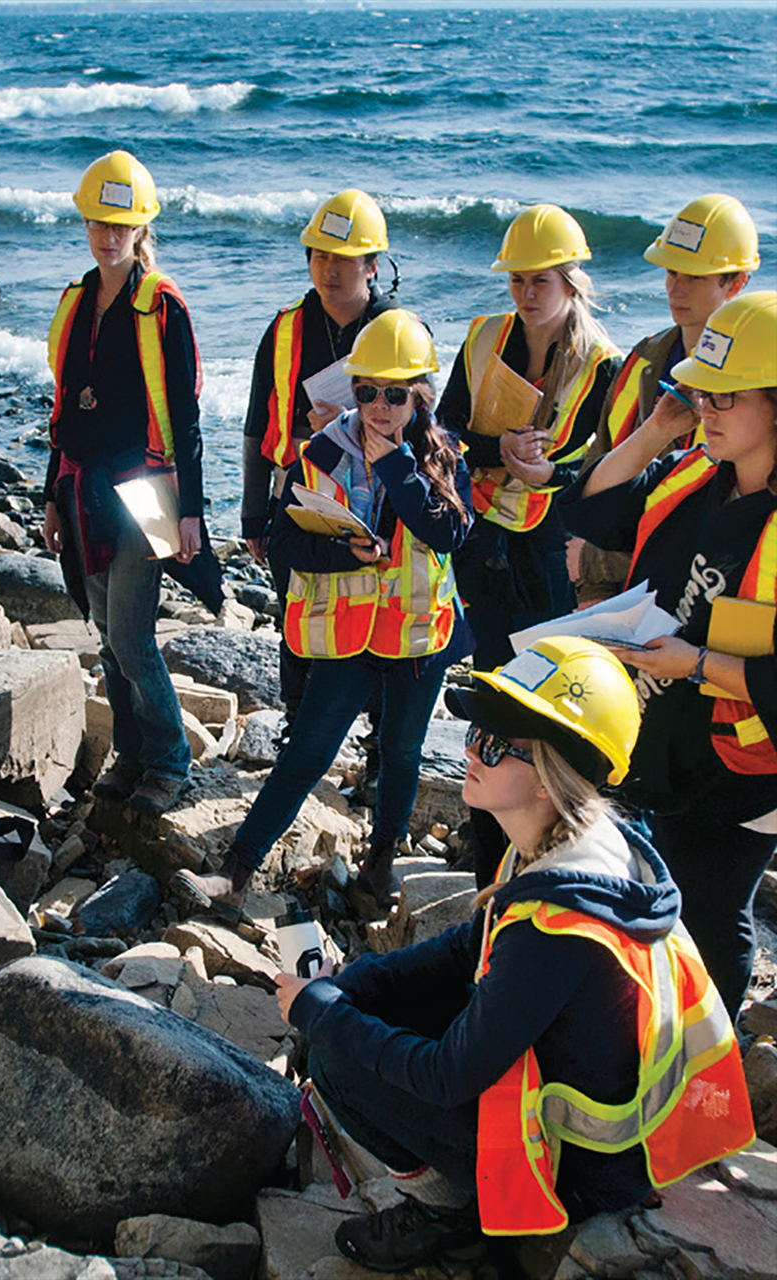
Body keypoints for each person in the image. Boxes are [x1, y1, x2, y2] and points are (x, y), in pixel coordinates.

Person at [276, 637, 752, 1272]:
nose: (470, 752)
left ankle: (452, 1214)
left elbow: (446, 1076)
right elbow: (465, 949)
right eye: (475, 733)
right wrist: (354, 986)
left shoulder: (559, 926)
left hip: (583, 1169)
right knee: (364, 1014)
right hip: (607, 1134)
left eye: (497, 746)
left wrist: (322, 1017)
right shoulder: (577, 845)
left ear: (553, 778)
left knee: (338, 1060)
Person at [175, 311, 471, 919]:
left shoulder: (442, 455)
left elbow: (448, 533)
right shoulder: (322, 451)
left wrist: (394, 465)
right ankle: (236, 874)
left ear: (421, 395)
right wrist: (342, 551)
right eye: (366, 393)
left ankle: (382, 861)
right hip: (349, 635)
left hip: (416, 640)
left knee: (401, 751)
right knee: (306, 752)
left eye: (395, 395)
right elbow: (283, 544)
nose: (379, 407)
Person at [562, 291, 777, 1020]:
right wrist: (658, 427)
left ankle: (707, 1059)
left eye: (728, 396)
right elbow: (588, 508)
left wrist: (697, 664)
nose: (707, 408)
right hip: (664, 741)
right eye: (702, 391)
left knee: (715, 913)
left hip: (746, 775)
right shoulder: (693, 474)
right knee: (663, 897)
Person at [437, 204, 621, 886]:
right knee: (493, 691)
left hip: (547, 551)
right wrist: (497, 448)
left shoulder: (603, 363)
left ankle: (543, 847)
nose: (528, 292)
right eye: (518, 279)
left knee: (542, 706)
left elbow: (608, 469)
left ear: (572, 281)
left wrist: (553, 473)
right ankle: (489, 853)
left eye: (542, 279)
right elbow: (445, 428)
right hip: (483, 542)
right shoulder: (485, 336)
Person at [41, 150, 208, 816]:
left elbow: (187, 416)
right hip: (84, 491)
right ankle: (131, 753)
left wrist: (190, 512)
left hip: (146, 492)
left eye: (121, 224)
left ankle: (168, 762)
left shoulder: (162, 307)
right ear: (85, 224)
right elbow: (61, 411)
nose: (108, 236)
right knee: (106, 633)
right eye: (97, 223)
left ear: (141, 230)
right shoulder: (77, 301)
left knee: (132, 635)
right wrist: (51, 496)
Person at [241, 189, 397, 728]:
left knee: (379, 617)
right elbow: (257, 426)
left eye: (344, 258)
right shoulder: (285, 327)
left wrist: (354, 421)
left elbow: (425, 425)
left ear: (372, 265)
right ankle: (298, 726)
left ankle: (378, 744)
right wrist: (251, 513)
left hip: (377, 497)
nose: (329, 270)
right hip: (299, 491)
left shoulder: (397, 330)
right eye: (320, 256)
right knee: (299, 612)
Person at [572, 193, 758, 606]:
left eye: (693, 276)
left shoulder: (754, 384)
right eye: (672, 272)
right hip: (618, 588)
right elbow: (600, 467)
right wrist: (593, 581)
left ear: (736, 283)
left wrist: (593, 564)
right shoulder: (644, 359)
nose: (675, 287)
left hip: (697, 592)